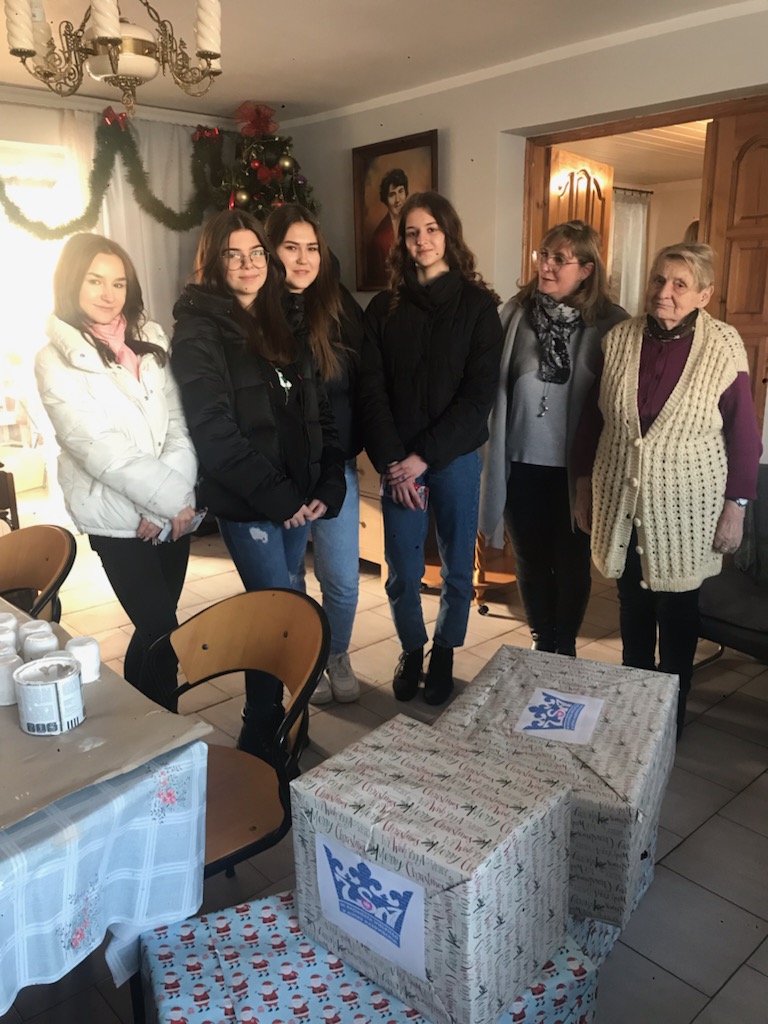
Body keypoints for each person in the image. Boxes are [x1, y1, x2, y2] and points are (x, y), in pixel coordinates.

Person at [170, 208, 346, 758]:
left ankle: (290, 715)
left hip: (297, 501)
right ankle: (261, 725)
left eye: (255, 254)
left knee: (288, 605)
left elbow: (318, 412)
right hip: (253, 504)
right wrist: (279, 496)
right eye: (234, 255)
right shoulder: (198, 332)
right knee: (274, 616)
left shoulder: (285, 318)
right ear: (214, 263)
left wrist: (327, 482)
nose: (248, 265)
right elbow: (214, 433)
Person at [573, 242, 762, 736]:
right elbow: (592, 422)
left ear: (704, 295)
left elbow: (744, 435)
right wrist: (582, 486)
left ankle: (667, 724)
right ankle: (634, 716)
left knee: (677, 619)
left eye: (680, 284)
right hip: (621, 502)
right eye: (659, 279)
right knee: (632, 610)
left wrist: (737, 507)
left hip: (687, 512)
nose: (664, 292)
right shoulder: (619, 339)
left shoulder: (722, 346)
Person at [34, 233, 198, 709]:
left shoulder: (152, 339)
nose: (109, 294)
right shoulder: (54, 360)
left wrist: (169, 505)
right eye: (95, 281)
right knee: (163, 632)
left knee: (154, 630)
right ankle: (166, 731)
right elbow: (98, 449)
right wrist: (169, 501)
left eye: (119, 283)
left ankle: (139, 721)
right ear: (71, 282)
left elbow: (178, 423)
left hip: (171, 513)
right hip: (116, 520)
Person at [361, 191, 503, 705]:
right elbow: (370, 390)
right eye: (412, 232)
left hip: (455, 457)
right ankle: (411, 647)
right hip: (398, 462)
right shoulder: (384, 308)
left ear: (449, 234)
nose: (422, 240)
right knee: (402, 566)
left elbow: (478, 397)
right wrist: (394, 462)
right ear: (402, 242)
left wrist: (424, 457)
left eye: (431, 230)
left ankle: (444, 650)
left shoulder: (479, 307)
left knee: (458, 565)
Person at [479, 220, 628, 656]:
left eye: (559, 259)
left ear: (586, 269)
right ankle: (543, 640)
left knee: (571, 562)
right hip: (520, 464)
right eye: (543, 255)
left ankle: (565, 644)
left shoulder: (612, 324)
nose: (546, 265)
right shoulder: (515, 314)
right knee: (530, 559)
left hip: (578, 472)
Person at [266, 203, 365, 705]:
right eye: (291, 248)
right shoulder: (258, 313)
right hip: (282, 475)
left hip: (336, 466)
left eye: (312, 249)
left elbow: (366, 386)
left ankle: (336, 653)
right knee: (288, 578)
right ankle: (305, 657)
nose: (303, 259)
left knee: (342, 579)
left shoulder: (340, 309)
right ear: (271, 251)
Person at [366, 168, 409, 285]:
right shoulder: (379, 237)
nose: (398, 200)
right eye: (392, 195)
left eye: (401, 191)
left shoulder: (415, 225)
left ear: (406, 193)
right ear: (385, 199)